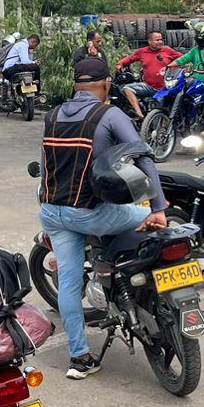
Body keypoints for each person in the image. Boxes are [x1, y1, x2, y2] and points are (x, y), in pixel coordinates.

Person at [36, 56, 167, 380]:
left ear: (75, 85)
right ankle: (133, 287)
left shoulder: (52, 116)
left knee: (68, 283)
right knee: (150, 223)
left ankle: (79, 358)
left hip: (52, 212)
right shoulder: (109, 114)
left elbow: (44, 165)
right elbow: (143, 156)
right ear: (107, 84)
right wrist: (158, 208)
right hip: (90, 214)